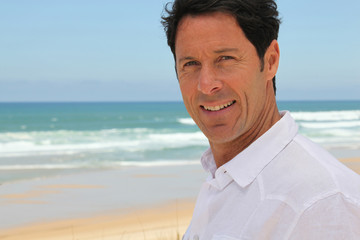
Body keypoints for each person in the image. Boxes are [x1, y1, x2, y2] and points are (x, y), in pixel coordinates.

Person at [162, 0, 360, 239]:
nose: (206, 85)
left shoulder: (319, 203)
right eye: (191, 64)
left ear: (270, 61)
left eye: (225, 58)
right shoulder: (223, 178)